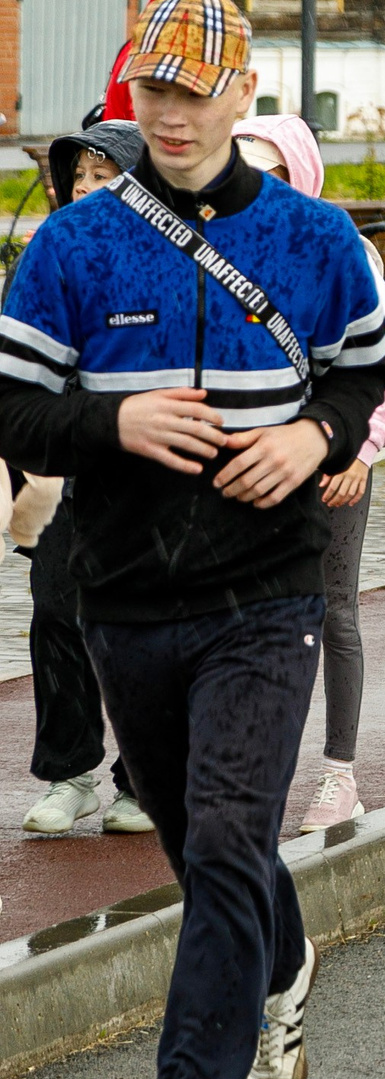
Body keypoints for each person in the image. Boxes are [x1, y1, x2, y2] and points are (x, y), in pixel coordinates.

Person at [0, 0, 385, 1079]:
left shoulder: (316, 239)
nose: (174, 115)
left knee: (231, 830)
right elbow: (14, 407)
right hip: (126, 593)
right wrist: (114, 426)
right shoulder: (73, 242)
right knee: (196, 838)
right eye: (156, 91)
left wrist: (313, 438)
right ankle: (282, 965)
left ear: (245, 92)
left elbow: (364, 376)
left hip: (267, 594)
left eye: (198, 90)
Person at [232, 115, 385, 836]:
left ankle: (340, 774)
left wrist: (362, 450)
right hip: (245, 462)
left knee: (332, 610)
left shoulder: (344, 254)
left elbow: (384, 359)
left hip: (332, 460)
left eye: (269, 174)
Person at [17, 122, 154, 839]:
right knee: (55, 609)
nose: (87, 191)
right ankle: (70, 774)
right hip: (65, 472)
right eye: (80, 178)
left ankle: (142, 781)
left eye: (106, 178)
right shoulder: (47, 258)